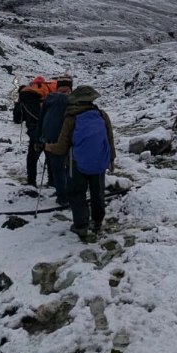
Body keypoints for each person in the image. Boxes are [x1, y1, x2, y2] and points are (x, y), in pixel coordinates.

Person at [43, 85, 116, 240]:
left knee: (77, 193)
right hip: (98, 162)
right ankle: (97, 222)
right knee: (98, 193)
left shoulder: (70, 118)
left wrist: (48, 147)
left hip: (76, 164)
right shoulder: (102, 115)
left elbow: (62, 147)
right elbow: (109, 139)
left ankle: (81, 226)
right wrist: (111, 159)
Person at [37, 75, 74, 206]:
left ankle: (61, 196)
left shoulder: (49, 98)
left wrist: (38, 139)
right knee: (70, 166)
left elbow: (41, 120)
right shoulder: (74, 100)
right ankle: (71, 192)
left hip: (50, 138)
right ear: (70, 88)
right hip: (69, 138)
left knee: (57, 168)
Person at [15, 75, 54, 186]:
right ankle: (52, 181)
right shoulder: (50, 96)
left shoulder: (26, 97)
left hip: (34, 132)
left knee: (32, 158)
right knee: (50, 156)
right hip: (49, 131)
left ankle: (31, 182)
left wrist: (19, 104)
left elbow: (17, 120)